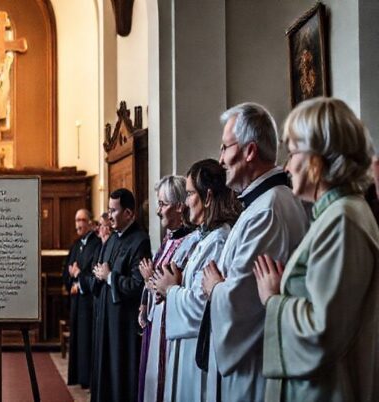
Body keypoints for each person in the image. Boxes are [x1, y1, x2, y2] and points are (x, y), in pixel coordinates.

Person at [254, 97, 379, 401]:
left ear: (317, 158)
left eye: (293, 152)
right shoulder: (335, 214)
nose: (287, 166)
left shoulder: (343, 220)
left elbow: (324, 330)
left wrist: (273, 300)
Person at [200, 102, 308, 402]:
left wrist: (214, 288)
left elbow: (244, 300)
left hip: (254, 368)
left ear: (249, 151)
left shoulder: (268, 210)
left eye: (225, 147)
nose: (220, 159)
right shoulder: (261, 204)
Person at [151, 160, 240, 402]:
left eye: (190, 194)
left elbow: (202, 306)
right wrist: (171, 286)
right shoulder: (204, 238)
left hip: (198, 350)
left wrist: (171, 290)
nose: (186, 201)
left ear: (207, 197)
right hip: (187, 345)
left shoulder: (218, 242)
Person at [138, 176, 197, 402]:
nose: (158, 210)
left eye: (163, 204)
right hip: (156, 323)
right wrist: (145, 300)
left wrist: (150, 279)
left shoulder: (192, 242)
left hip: (172, 327)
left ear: (180, 206)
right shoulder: (168, 240)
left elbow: (173, 284)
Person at [90, 188, 151, 402]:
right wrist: (99, 275)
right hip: (105, 319)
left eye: (113, 211)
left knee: (119, 376)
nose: (109, 216)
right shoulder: (112, 239)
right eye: (108, 210)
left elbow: (137, 285)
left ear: (128, 213)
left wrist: (109, 277)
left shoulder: (140, 241)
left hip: (122, 326)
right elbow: (99, 268)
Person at [62, 208, 102, 389]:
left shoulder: (96, 245)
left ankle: (87, 379)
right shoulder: (76, 245)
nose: (78, 225)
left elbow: (94, 273)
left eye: (81, 220)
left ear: (90, 223)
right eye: (76, 220)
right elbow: (67, 270)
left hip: (88, 302)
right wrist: (71, 279)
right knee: (77, 339)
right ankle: (78, 376)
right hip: (76, 301)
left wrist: (79, 277)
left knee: (86, 339)